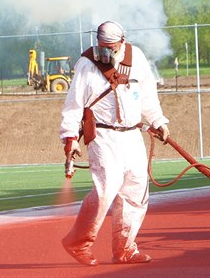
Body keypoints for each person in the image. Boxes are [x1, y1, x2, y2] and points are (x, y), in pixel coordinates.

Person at [59, 21, 170, 266]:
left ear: (122, 42)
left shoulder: (136, 57)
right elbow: (74, 104)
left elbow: (148, 96)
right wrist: (70, 138)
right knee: (105, 190)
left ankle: (125, 249)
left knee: (135, 192)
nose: (105, 51)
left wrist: (158, 121)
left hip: (132, 135)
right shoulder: (87, 64)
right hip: (103, 136)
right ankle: (78, 243)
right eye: (101, 46)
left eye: (110, 46)